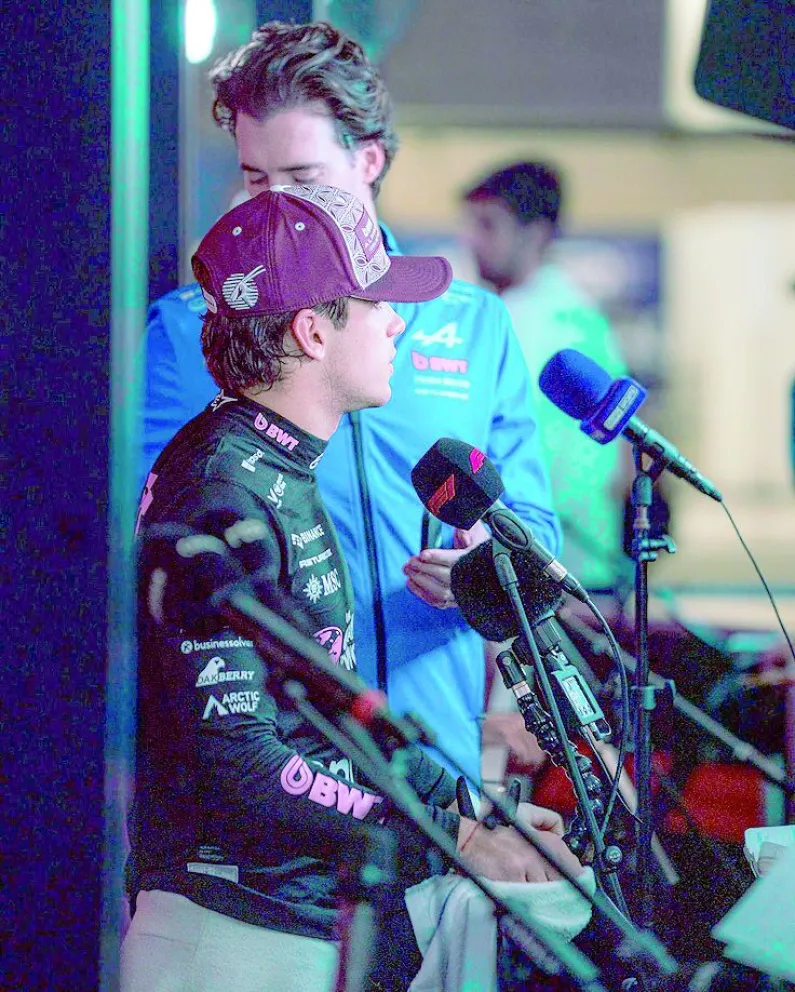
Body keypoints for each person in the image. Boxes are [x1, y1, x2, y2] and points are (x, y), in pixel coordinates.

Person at [123, 184, 583, 992]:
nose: (397, 323)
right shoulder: (223, 488)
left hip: (276, 923)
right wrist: (458, 838)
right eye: (376, 306)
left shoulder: (273, 462)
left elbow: (326, 718)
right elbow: (244, 762)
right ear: (312, 332)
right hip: (230, 934)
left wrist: (476, 810)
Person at [140, 22, 560, 790]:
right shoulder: (188, 328)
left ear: (368, 161)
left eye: (302, 176)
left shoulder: (471, 323)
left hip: (435, 771)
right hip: (268, 778)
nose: (275, 206)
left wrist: (482, 570)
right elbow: (151, 557)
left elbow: (534, 537)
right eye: (255, 179)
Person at [462, 161, 629, 593]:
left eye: (488, 225)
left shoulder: (532, 320)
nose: (471, 240)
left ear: (534, 233)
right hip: (572, 553)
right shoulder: (581, 313)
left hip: (547, 558)